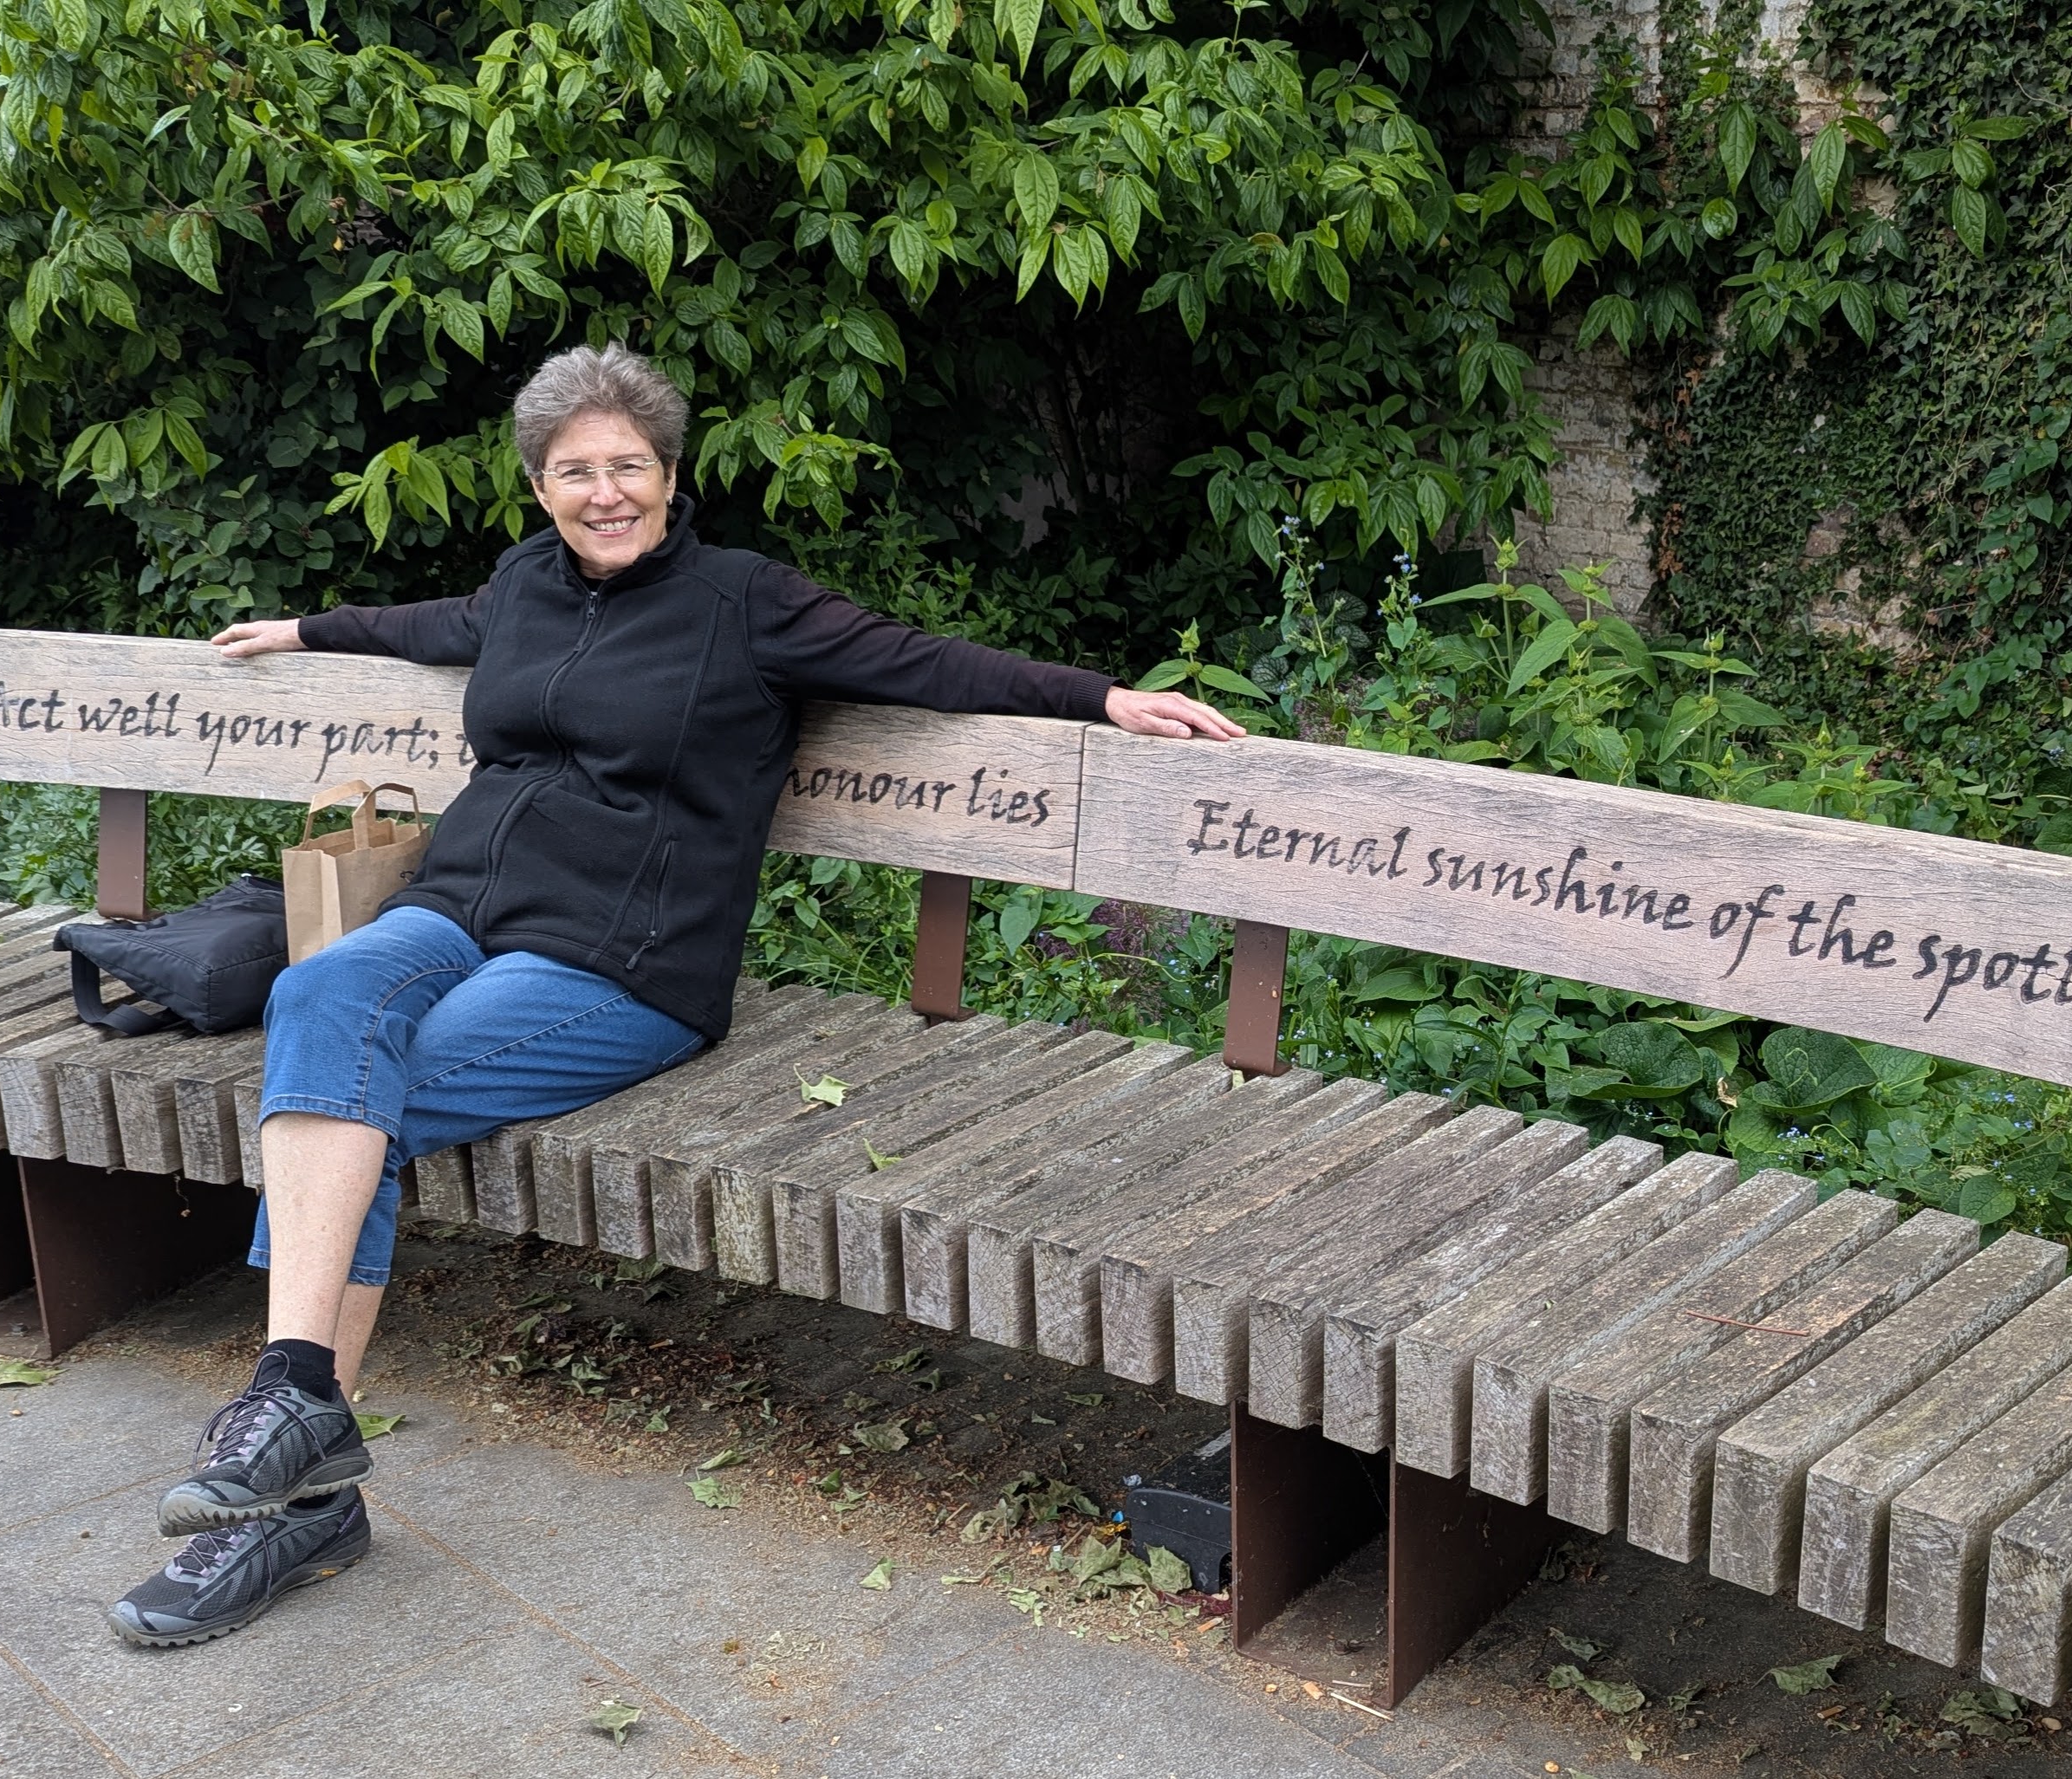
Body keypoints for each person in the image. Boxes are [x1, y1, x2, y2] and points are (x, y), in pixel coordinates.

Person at [107, 343, 1243, 1646]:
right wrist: (305, 630)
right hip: (455, 912)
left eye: (628, 466)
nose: (606, 493)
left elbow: (926, 663)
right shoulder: (523, 586)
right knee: (322, 996)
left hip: (615, 962)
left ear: (668, 471)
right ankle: (299, 1413)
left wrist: (1103, 697)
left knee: (355, 1102)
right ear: (540, 487)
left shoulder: (744, 603)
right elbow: (431, 624)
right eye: (575, 471)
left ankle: (288, 1489)